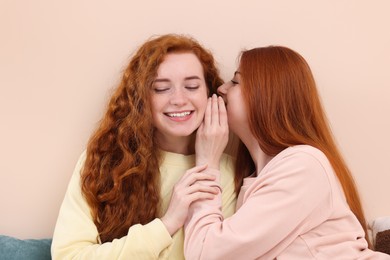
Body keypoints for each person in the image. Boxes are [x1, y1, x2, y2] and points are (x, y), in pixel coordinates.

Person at [184, 46, 390, 259]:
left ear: (266, 96)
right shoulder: (262, 176)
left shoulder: (303, 165)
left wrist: (207, 162)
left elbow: (206, 253)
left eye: (235, 82)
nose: (222, 89)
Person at [51, 34, 237, 259]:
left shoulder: (228, 172)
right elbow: (68, 256)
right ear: (141, 99)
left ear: (209, 94)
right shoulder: (103, 161)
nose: (178, 99)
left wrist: (208, 167)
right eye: (160, 89)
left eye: (191, 86)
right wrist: (167, 224)